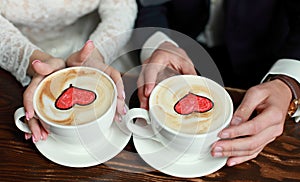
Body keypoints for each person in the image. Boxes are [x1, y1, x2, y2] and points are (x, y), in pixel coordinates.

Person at [135, 0, 300, 166]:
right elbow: (149, 6)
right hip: (179, 51)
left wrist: (288, 81)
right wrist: (159, 44)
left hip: (264, 65)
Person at [0, 0, 137, 143]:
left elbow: (121, 6)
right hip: (21, 47)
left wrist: (96, 54)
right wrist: (30, 59)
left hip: (91, 42)